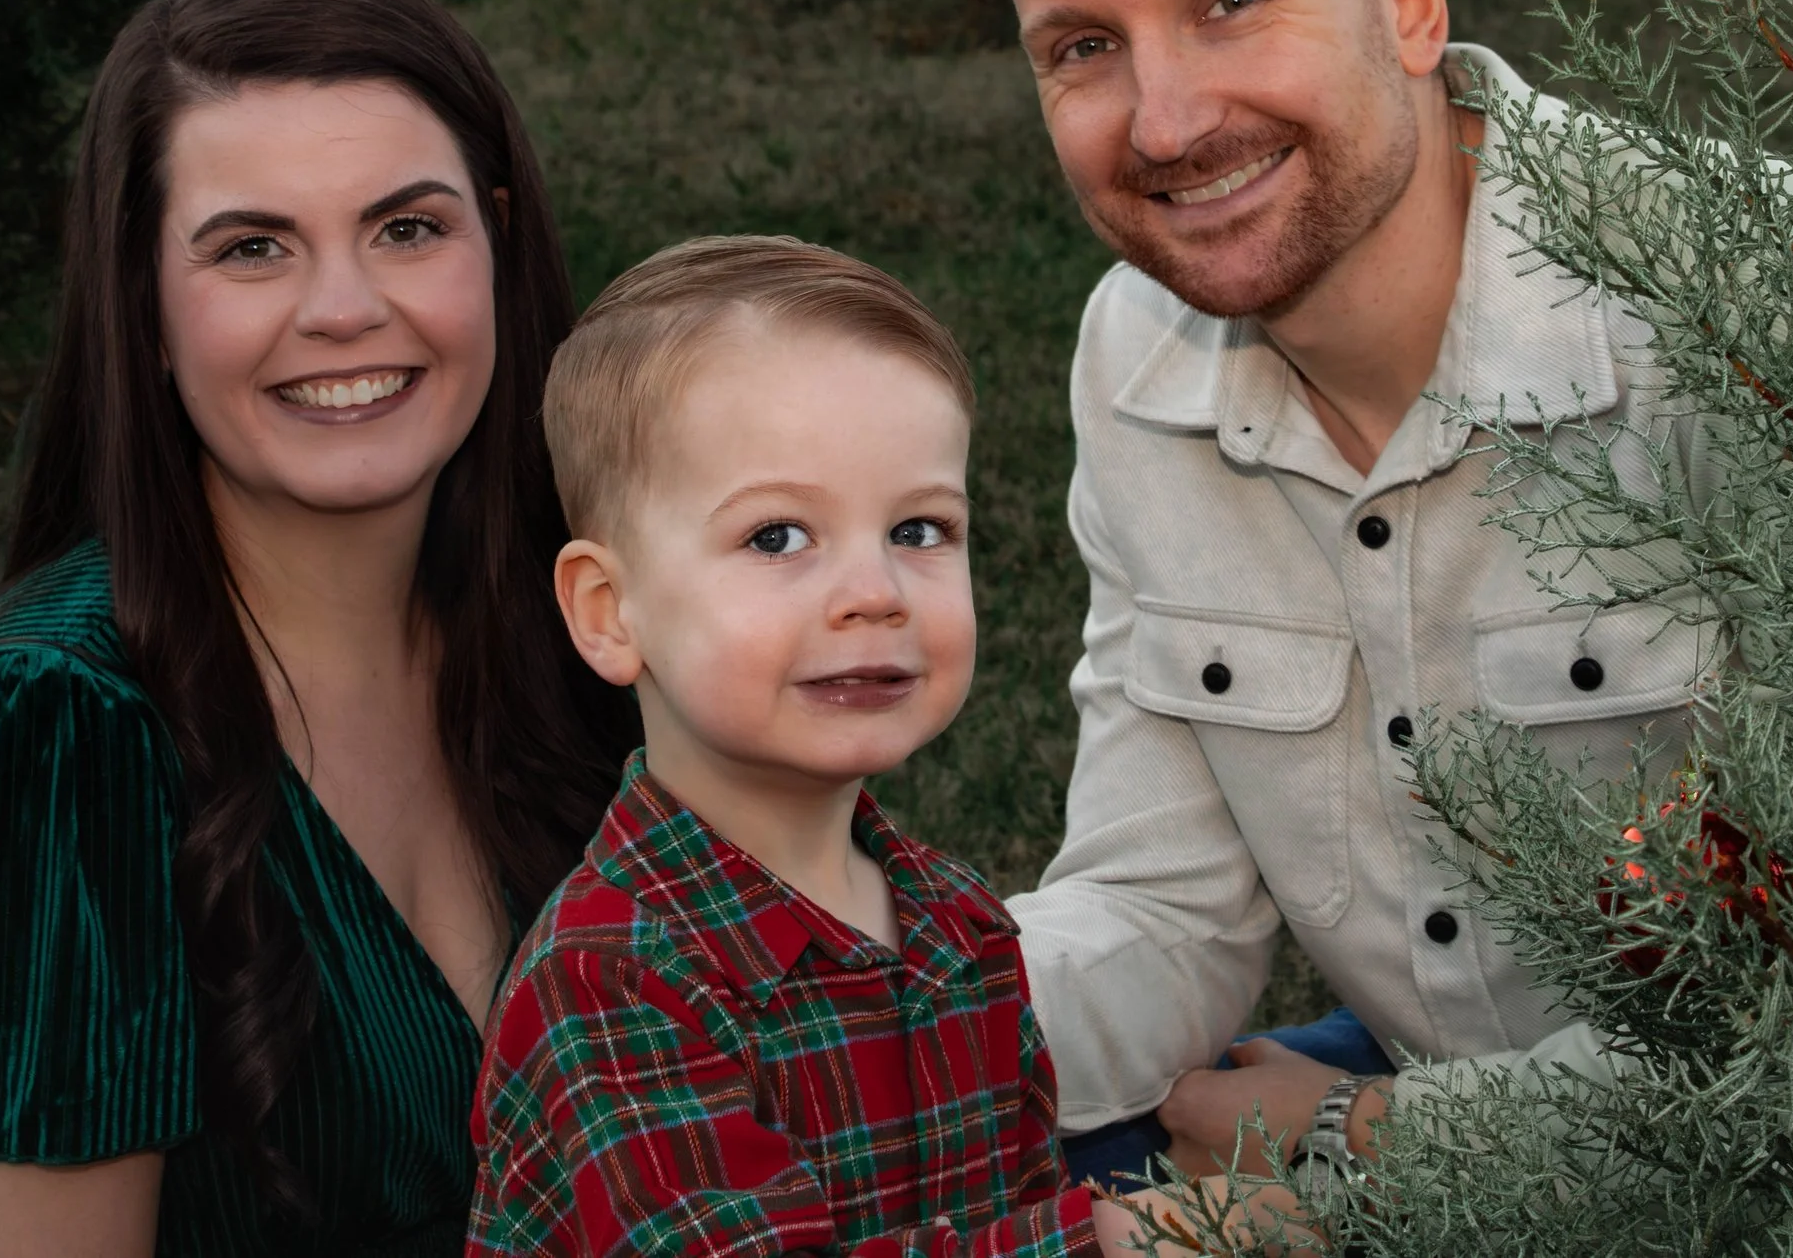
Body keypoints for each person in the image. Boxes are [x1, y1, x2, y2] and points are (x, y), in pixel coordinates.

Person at [949, 0, 1719, 1182]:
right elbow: (1162, 904)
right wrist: (861, 1043)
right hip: (1416, 1074)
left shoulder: (1737, 329)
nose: (1165, 121)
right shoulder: (1135, 351)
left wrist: (1364, 1149)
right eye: (1085, 45)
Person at [0, 0, 641, 1256]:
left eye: (408, 227)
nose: (345, 308)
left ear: (500, 243)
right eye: (252, 248)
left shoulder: (590, 627)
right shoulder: (51, 737)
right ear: (143, 304)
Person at [464, 236, 1284, 1257]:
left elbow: (1012, 1206)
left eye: (919, 530)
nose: (874, 592)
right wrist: (1116, 1239)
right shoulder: (610, 983)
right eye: (777, 536)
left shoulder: (961, 926)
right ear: (608, 610)